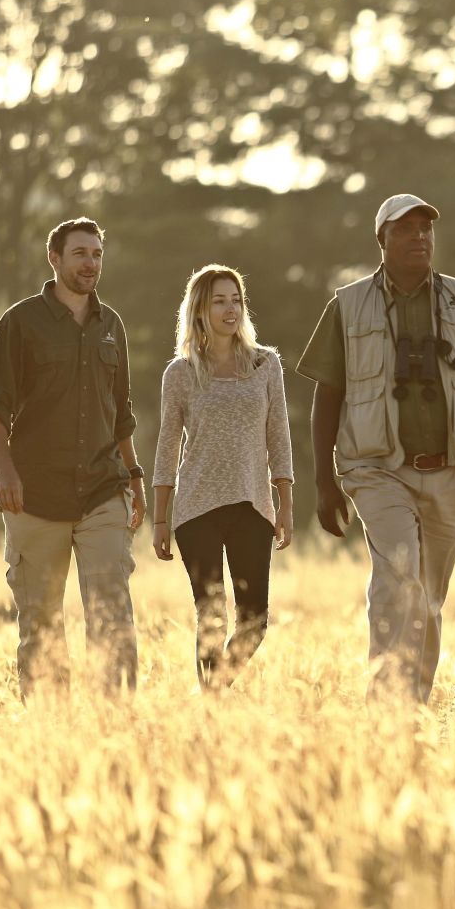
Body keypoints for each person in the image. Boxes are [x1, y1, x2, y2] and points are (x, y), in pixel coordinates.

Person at [297, 193, 455, 704]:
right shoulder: (348, 303)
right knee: (398, 576)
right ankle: (386, 708)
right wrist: (323, 481)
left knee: (427, 598)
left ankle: (413, 708)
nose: (419, 238)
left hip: (449, 470)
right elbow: (327, 393)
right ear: (381, 241)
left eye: (426, 229)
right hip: (376, 469)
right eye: (406, 230)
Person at [0, 217, 144, 700]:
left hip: (102, 491)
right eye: (80, 254)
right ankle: (49, 735)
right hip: (34, 494)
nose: (90, 263)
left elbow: (121, 413)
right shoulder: (20, 322)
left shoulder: (112, 326)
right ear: (55, 258)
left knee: (113, 615)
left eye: (96, 254)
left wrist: (133, 478)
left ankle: (117, 726)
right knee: (41, 624)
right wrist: (3, 471)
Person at [151, 265, 295, 689]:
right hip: (197, 508)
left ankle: (213, 691)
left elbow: (279, 437)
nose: (230, 308)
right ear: (200, 309)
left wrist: (285, 503)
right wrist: (160, 519)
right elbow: (166, 447)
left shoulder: (266, 365)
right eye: (219, 301)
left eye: (236, 299)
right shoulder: (179, 373)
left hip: (253, 504)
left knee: (255, 620)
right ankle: (212, 714)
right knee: (210, 617)